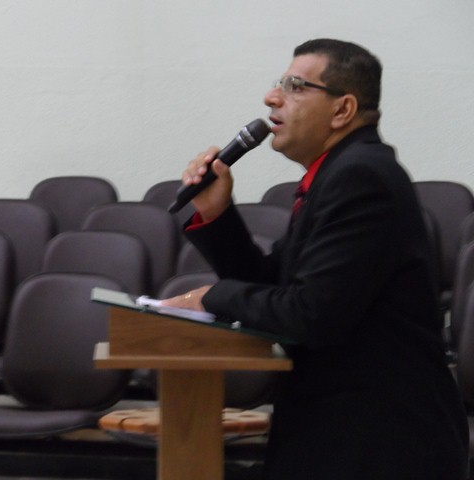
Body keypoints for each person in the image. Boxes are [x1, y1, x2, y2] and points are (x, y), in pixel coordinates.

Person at [162, 38, 469, 479]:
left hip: (380, 443)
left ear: (343, 110)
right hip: (346, 435)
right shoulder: (338, 174)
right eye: (279, 84)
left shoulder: (361, 177)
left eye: (295, 86)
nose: (272, 97)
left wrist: (211, 297)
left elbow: (309, 314)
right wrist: (217, 214)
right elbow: (275, 287)